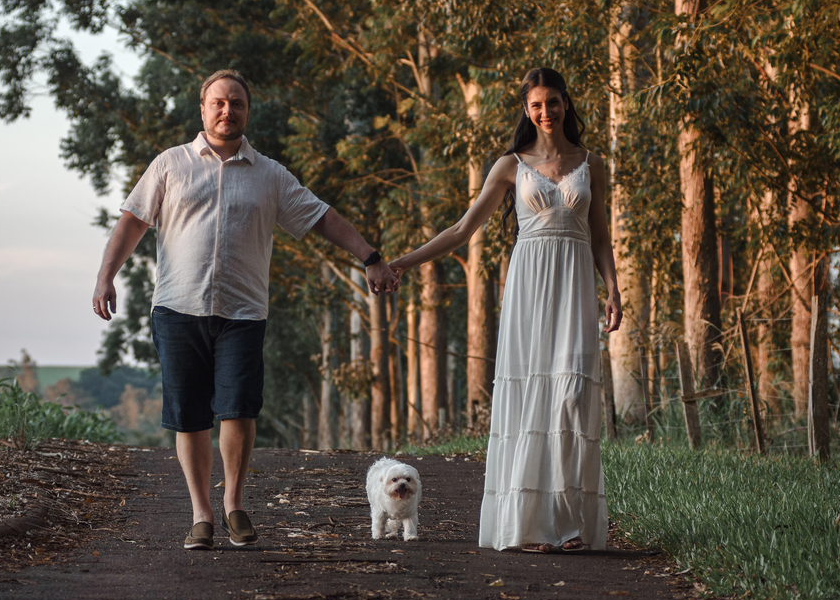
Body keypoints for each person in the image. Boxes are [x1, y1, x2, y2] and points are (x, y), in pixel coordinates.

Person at [93, 69, 399, 551]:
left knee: (237, 409)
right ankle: (201, 513)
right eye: (218, 102)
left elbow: (321, 217)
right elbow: (132, 222)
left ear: (246, 111)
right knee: (189, 416)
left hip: (242, 312)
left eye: (236, 102)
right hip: (178, 307)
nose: (226, 110)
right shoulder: (170, 165)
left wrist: (371, 257)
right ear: (202, 108)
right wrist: (105, 276)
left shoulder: (270, 175)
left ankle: (234, 503)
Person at [390, 67, 621, 553]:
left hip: (575, 282)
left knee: (573, 394)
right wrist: (403, 262)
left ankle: (572, 523)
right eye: (536, 105)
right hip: (530, 285)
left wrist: (614, 290)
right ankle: (531, 527)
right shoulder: (511, 165)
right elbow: (461, 230)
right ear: (527, 109)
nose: (546, 112)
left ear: (566, 103)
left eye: (553, 102)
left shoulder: (592, 163)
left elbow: (601, 237)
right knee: (532, 396)